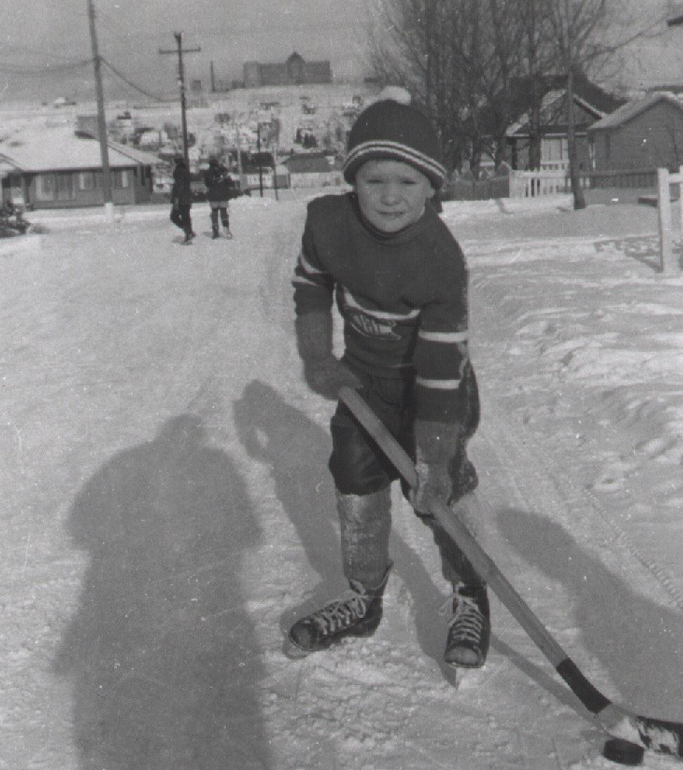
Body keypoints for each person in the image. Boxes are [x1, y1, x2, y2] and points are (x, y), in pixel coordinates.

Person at [288, 87, 489, 670]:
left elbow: (439, 367)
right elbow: (311, 282)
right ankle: (363, 594)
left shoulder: (440, 260)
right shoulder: (327, 223)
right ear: (353, 180)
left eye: (407, 182)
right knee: (354, 482)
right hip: (362, 384)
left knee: (438, 493)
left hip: (433, 394)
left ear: (432, 186)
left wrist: (432, 452)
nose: (390, 196)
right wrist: (317, 353)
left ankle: (469, 594)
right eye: (375, 180)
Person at [203, 157, 233, 239]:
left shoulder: (207, 172)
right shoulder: (224, 171)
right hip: (223, 195)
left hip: (213, 196)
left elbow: (207, 184)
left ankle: (215, 229)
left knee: (214, 212)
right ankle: (226, 227)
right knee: (223, 211)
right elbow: (230, 183)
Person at [170, 155, 195, 244]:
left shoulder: (178, 171)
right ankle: (189, 232)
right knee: (186, 216)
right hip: (187, 197)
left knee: (174, 216)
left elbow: (179, 186)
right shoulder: (186, 170)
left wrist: (176, 199)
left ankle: (188, 233)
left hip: (180, 199)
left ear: (175, 162)